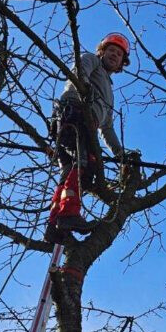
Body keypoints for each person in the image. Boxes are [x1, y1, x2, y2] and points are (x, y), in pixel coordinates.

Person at [45, 32, 135, 243]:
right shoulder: (91, 60)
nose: (114, 55)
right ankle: (68, 215)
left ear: (122, 63)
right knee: (86, 165)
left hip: (88, 124)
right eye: (111, 50)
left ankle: (54, 223)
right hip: (75, 113)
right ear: (102, 52)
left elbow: (108, 128)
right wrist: (83, 93)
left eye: (119, 54)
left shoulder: (109, 93)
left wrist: (120, 153)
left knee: (70, 171)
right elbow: (79, 73)